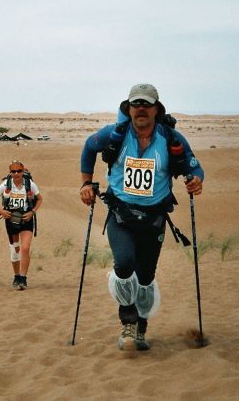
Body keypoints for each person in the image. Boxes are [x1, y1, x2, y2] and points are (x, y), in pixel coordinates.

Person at [79, 83, 204, 351]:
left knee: (146, 276)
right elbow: (89, 147)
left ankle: (141, 328)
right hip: (121, 215)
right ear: (129, 109)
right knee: (124, 265)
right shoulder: (115, 134)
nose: (141, 109)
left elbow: (194, 167)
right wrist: (86, 184)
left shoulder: (171, 139)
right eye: (136, 104)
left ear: (157, 109)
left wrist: (196, 180)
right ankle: (128, 323)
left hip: (154, 219)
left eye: (147, 104)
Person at [0, 161, 43, 290]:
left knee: (25, 248)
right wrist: (1, 211)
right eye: (13, 171)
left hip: (26, 220)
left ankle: (23, 278)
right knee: (15, 251)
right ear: (10, 172)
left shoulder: (30, 184)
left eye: (19, 171)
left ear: (23, 171)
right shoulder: (5, 184)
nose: (16, 173)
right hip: (11, 221)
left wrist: (32, 212)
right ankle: (16, 276)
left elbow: (40, 199)